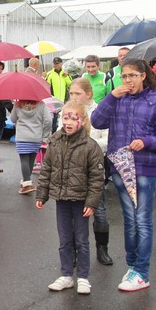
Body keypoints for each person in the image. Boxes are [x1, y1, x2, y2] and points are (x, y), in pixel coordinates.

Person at [91, 58, 156, 292]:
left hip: (145, 168)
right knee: (129, 220)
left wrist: (146, 141)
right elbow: (96, 121)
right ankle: (132, 266)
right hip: (120, 167)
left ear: (143, 76)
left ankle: (142, 272)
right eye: (124, 76)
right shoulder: (117, 99)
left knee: (142, 220)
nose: (127, 80)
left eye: (132, 76)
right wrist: (111, 96)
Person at [35, 101, 105, 295]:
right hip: (62, 200)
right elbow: (46, 170)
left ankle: (83, 277)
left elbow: (97, 178)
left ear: (82, 121)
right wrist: (42, 194)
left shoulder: (90, 146)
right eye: (65, 118)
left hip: (81, 201)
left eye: (74, 118)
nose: (68, 122)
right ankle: (66, 275)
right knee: (65, 239)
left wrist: (91, 202)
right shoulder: (55, 142)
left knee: (81, 240)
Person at [67, 77, 112, 265]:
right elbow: (59, 136)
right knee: (73, 215)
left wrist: (85, 146)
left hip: (94, 170)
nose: (74, 97)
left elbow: (107, 140)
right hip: (72, 172)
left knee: (99, 211)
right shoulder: (67, 112)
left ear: (89, 94)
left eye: (77, 93)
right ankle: (74, 251)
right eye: (71, 93)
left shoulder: (99, 112)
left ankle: (102, 249)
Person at [10, 99, 53, 195]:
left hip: (22, 137)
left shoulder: (18, 104)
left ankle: (26, 183)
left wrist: (15, 107)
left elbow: (12, 119)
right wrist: (45, 135)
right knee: (31, 159)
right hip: (36, 136)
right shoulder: (41, 105)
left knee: (24, 160)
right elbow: (48, 120)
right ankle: (27, 180)